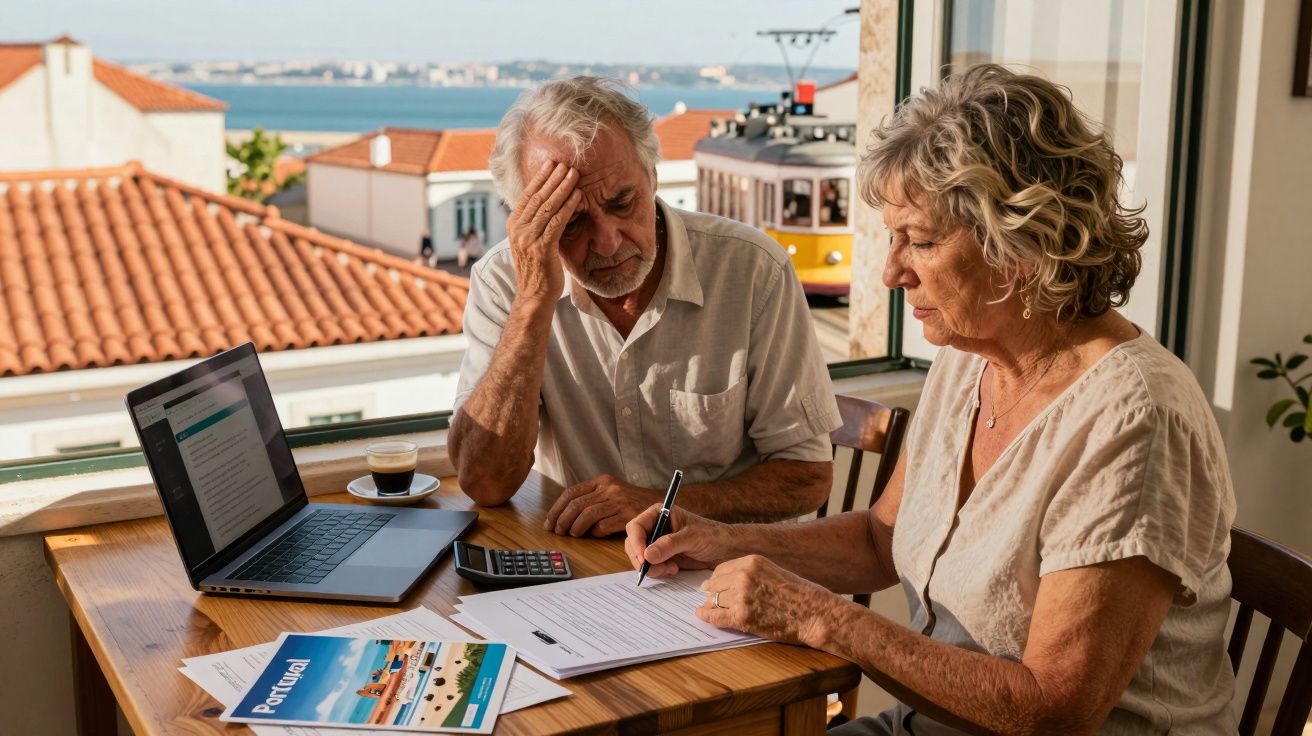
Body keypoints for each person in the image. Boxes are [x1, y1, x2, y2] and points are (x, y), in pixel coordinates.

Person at [626, 64, 1237, 734]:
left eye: (919, 240)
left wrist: (816, 614)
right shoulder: (967, 358)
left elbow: (1052, 712)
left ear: (1025, 241)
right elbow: (880, 539)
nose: (892, 271)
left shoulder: (1138, 418)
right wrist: (720, 540)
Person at [447, 76, 841, 537]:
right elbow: (484, 482)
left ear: (653, 176)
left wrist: (660, 507)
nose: (608, 241)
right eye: (570, 223)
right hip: (581, 571)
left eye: (622, 202)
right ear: (526, 219)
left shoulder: (753, 270)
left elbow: (808, 477)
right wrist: (533, 302)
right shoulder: (504, 283)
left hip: (728, 571)